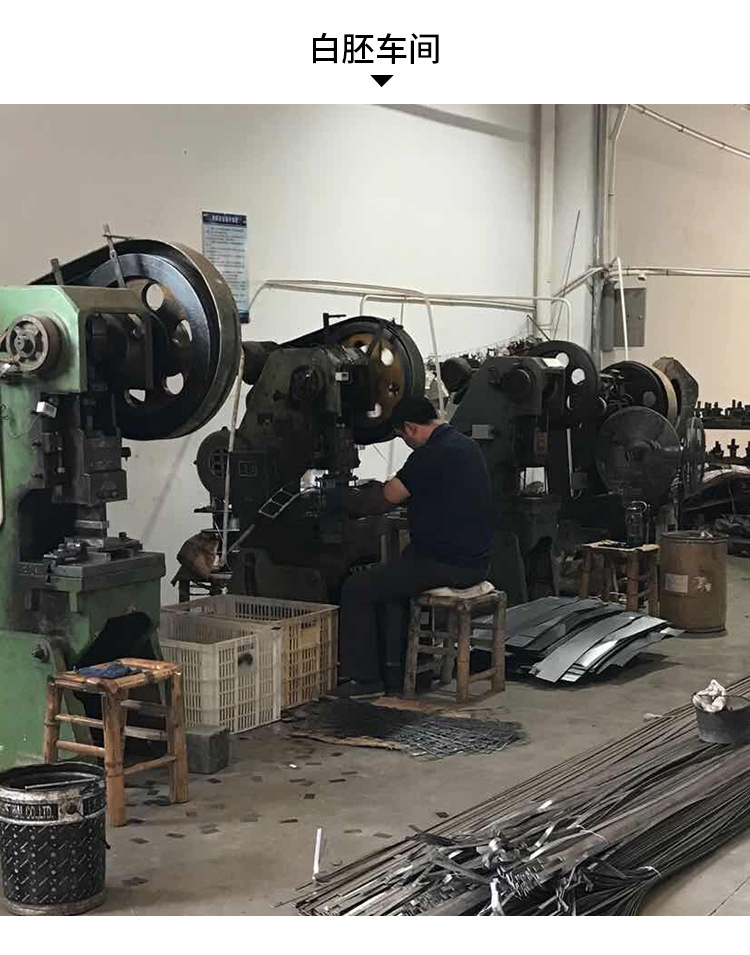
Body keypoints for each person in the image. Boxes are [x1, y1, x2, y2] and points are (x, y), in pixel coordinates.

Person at [333, 395, 493, 698]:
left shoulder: (430, 454)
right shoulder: (466, 446)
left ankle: (365, 681)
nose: (405, 444)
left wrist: (341, 498)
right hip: (475, 560)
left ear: (409, 428)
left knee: (357, 588)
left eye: (401, 437)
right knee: (395, 579)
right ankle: (400, 672)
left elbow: (387, 498)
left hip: (448, 566)